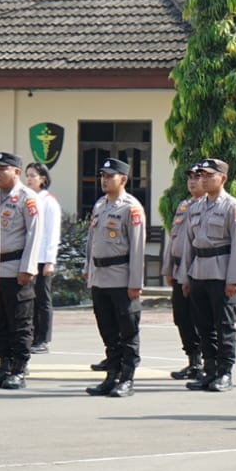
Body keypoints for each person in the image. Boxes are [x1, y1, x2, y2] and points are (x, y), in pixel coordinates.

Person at [83, 158, 147, 397]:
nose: (105, 180)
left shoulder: (131, 208)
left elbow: (137, 248)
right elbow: (92, 241)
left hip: (121, 278)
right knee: (108, 331)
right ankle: (111, 375)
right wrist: (88, 268)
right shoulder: (100, 205)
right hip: (100, 277)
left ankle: (126, 379)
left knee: (127, 331)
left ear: (123, 179)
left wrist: (135, 283)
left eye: (110, 176)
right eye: (103, 175)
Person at [183, 158, 236, 393]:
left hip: (221, 272)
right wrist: (185, 277)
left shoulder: (232, 207)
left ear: (223, 178)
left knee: (224, 326)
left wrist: (233, 279)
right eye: (202, 175)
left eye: (210, 175)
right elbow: (189, 244)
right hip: (198, 271)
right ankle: (209, 370)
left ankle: (225, 372)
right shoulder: (195, 207)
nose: (204, 179)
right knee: (204, 326)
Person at [0, 152, 41, 389]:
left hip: (16, 268)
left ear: (16, 172)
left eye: (2, 169)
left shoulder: (27, 198)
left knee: (20, 323)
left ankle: (19, 369)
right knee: (0, 323)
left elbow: (34, 234)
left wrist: (27, 268)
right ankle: (4, 364)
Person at [164, 164, 206, 381]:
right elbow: (173, 238)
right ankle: (193, 360)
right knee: (181, 316)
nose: (192, 181)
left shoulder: (209, 206)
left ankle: (206, 362)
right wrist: (168, 268)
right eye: (190, 177)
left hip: (197, 267)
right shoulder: (184, 205)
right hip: (179, 268)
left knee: (199, 316)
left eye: (198, 177)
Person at [27, 162, 63, 354]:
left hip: (42, 258)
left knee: (42, 299)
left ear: (43, 179)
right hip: (29, 257)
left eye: (33, 175)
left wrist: (50, 260)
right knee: (29, 299)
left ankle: (43, 339)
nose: (29, 179)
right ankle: (31, 335)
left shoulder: (48, 202)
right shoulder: (28, 198)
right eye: (27, 175)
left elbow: (52, 233)